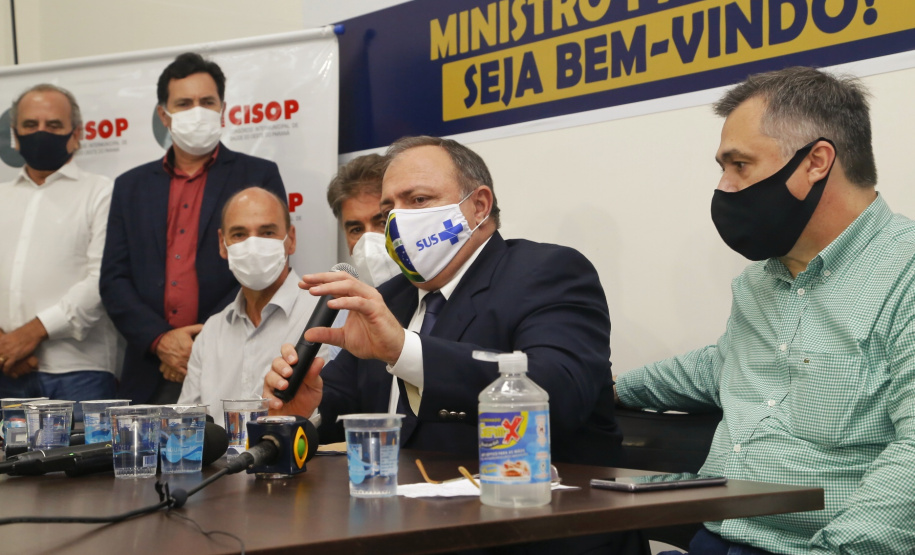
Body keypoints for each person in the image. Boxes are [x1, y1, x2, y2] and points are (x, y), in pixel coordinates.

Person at [266, 136, 644, 555]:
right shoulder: (391, 297)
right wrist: (306, 412)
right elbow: (343, 410)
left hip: (532, 535)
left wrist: (404, 351)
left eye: (418, 200)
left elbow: (558, 392)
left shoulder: (546, 272)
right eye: (390, 209)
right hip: (399, 532)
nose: (397, 223)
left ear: (479, 206)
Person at [616, 66, 915, 554]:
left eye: (739, 165)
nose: (724, 186)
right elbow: (725, 364)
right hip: (713, 535)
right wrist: (610, 390)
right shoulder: (760, 283)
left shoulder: (905, 274)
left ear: (816, 161)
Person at [101, 52, 286, 404]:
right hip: (149, 369)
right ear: (164, 115)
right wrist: (161, 340)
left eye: (207, 102)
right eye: (184, 103)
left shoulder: (257, 175)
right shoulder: (130, 186)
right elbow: (114, 279)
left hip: (230, 357)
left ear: (223, 109)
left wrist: (199, 340)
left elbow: (265, 264)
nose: (197, 111)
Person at [0, 84, 119, 409]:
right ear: (14, 135)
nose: (41, 133)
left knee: (86, 461)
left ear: (76, 134)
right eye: (30, 125)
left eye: (53, 125)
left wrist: (33, 333)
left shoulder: (101, 192)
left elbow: (102, 280)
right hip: (5, 371)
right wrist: (6, 345)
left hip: (81, 373)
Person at [177, 187, 319, 418]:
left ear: (290, 239)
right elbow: (185, 426)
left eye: (267, 232)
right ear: (223, 245)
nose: (253, 246)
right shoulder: (211, 332)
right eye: (239, 234)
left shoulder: (324, 316)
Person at [326, 153, 401, 287]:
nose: (368, 240)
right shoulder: (343, 306)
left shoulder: (435, 301)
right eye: (357, 230)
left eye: (383, 222)